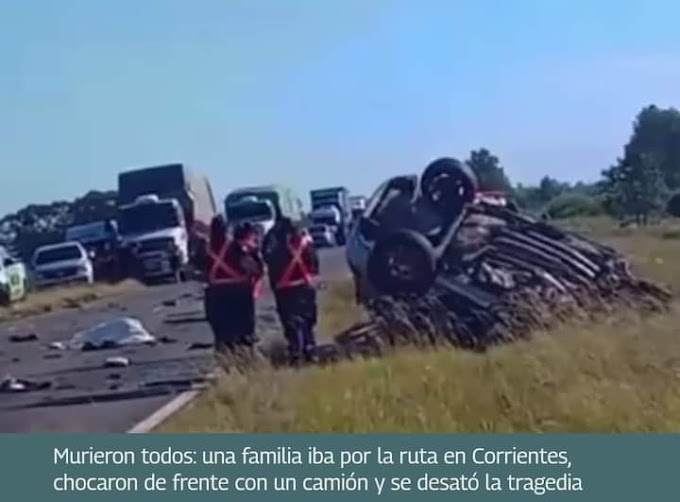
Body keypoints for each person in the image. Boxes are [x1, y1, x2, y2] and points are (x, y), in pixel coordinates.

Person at [262, 217, 320, 365]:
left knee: (291, 323)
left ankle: (296, 352)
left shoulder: (273, 245)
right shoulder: (303, 241)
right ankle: (309, 349)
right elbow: (314, 262)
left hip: (284, 289)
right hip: (304, 286)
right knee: (306, 320)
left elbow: (265, 257)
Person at [204, 215, 264, 353]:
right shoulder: (235, 247)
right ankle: (246, 360)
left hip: (216, 295)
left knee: (222, 334)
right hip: (239, 292)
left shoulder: (206, 250)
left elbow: (196, 271)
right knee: (244, 331)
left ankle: (227, 362)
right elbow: (252, 268)